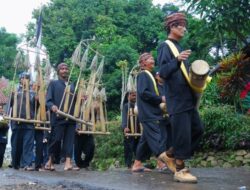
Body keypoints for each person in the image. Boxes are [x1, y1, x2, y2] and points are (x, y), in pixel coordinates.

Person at [157, 12, 204, 183]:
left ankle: (169, 155)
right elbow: (162, 73)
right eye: (181, 25)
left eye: (184, 25)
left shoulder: (178, 47)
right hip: (176, 98)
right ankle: (180, 170)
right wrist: (177, 60)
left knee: (197, 129)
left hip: (187, 98)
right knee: (182, 134)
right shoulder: (165, 46)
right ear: (172, 27)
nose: (184, 28)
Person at [131, 53, 176, 173]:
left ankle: (137, 164)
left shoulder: (148, 75)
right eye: (150, 58)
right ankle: (163, 162)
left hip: (151, 113)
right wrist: (160, 99)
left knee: (146, 140)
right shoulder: (143, 75)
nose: (153, 60)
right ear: (143, 62)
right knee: (158, 138)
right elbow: (143, 93)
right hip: (149, 114)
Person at [45, 63, 78, 171]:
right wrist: (52, 106)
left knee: (69, 140)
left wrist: (82, 98)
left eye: (66, 68)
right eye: (62, 69)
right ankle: (50, 161)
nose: (64, 70)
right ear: (58, 71)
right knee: (56, 140)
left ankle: (68, 163)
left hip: (71, 117)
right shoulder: (53, 84)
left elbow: (76, 101)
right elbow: (48, 100)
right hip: (58, 117)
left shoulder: (72, 85)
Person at [9, 72, 36, 171]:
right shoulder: (15, 91)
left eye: (27, 78)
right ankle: (15, 163)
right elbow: (9, 105)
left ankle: (27, 164)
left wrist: (38, 100)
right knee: (16, 144)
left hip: (29, 122)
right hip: (16, 121)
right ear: (20, 79)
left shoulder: (33, 93)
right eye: (23, 78)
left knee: (28, 144)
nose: (25, 80)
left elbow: (37, 108)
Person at [121, 91, 141, 169]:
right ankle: (128, 164)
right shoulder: (126, 106)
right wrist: (125, 127)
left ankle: (138, 163)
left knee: (138, 148)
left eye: (136, 95)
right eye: (133, 95)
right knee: (129, 148)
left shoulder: (139, 105)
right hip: (129, 130)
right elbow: (124, 117)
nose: (134, 97)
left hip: (138, 130)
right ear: (128, 97)